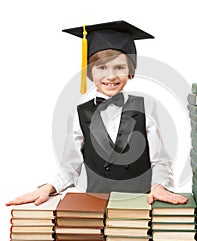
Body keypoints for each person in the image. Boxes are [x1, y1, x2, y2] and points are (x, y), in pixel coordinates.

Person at [6, 20, 187, 207]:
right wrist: (48, 187)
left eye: (119, 67)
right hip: (95, 204)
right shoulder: (80, 113)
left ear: (130, 70)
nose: (111, 76)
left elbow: (159, 159)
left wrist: (159, 186)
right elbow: (71, 165)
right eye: (102, 68)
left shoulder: (145, 106)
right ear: (90, 71)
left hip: (139, 203)